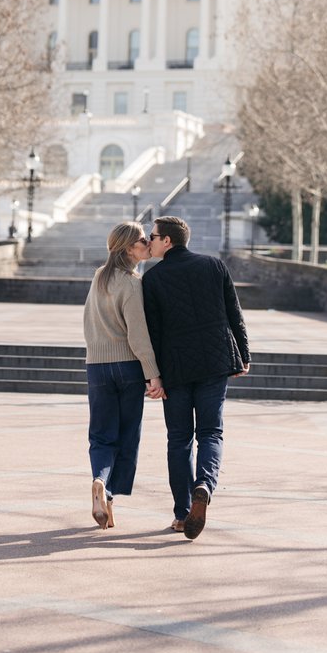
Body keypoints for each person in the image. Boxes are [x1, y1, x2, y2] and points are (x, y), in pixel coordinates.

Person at [142, 215, 250, 540]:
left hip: (175, 368)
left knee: (178, 440)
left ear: (168, 241)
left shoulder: (153, 278)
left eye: (153, 236)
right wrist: (243, 355)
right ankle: (204, 484)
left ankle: (181, 512)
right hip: (215, 360)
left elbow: (152, 331)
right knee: (211, 433)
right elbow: (234, 312)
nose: (149, 241)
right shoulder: (214, 266)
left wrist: (152, 375)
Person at [82, 221, 164, 529]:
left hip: (96, 366)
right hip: (127, 367)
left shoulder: (98, 278)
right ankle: (111, 492)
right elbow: (138, 335)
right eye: (143, 241)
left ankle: (100, 482)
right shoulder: (131, 283)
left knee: (101, 435)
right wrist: (152, 374)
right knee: (128, 436)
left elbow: (88, 324)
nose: (148, 244)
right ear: (129, 248)